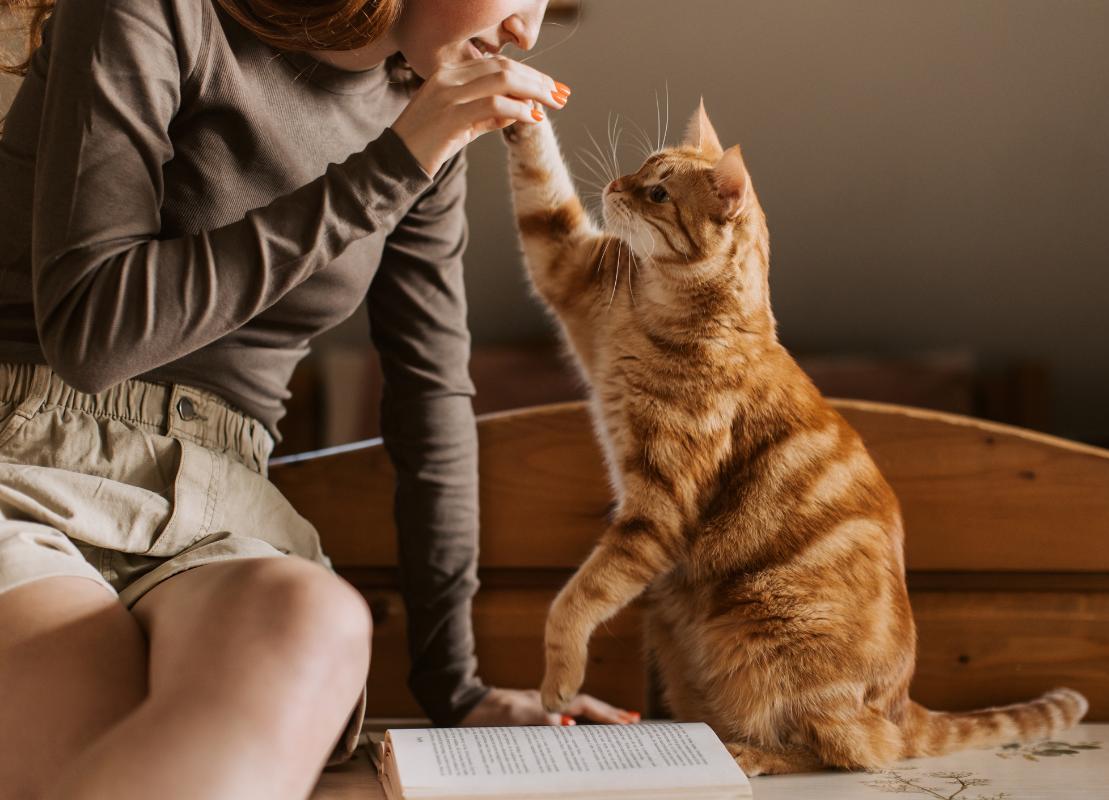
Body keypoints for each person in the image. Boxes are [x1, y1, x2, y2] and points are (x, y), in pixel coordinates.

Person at [0, 0, 634, 797]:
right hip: (27, 468)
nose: (527, 33)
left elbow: (430, 400)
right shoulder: (150, 12)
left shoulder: (419, 116)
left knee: (317, 617)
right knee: (90, 690)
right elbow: (93, 335)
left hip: (229, 509)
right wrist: (393, 167)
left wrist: (455, 687)